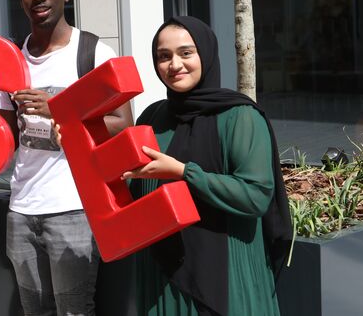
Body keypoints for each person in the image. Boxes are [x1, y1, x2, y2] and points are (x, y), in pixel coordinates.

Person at [121, 16, 292, 316]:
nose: (174, 65)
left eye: (186, 53)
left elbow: (255, 195)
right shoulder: (151, 117)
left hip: (224, 274)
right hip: (162, 277)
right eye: (164, 56)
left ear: (206, 53)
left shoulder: (240, 116)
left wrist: (184, 173)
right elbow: (132, 188)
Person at [0, 0, 133, 315]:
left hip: (74, 207)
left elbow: (122, 123)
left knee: (74, 310)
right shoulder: (10, 60)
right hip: (21, 209)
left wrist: (59, 112)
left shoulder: (93, 52)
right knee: (34, 310)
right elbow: (2, 136)